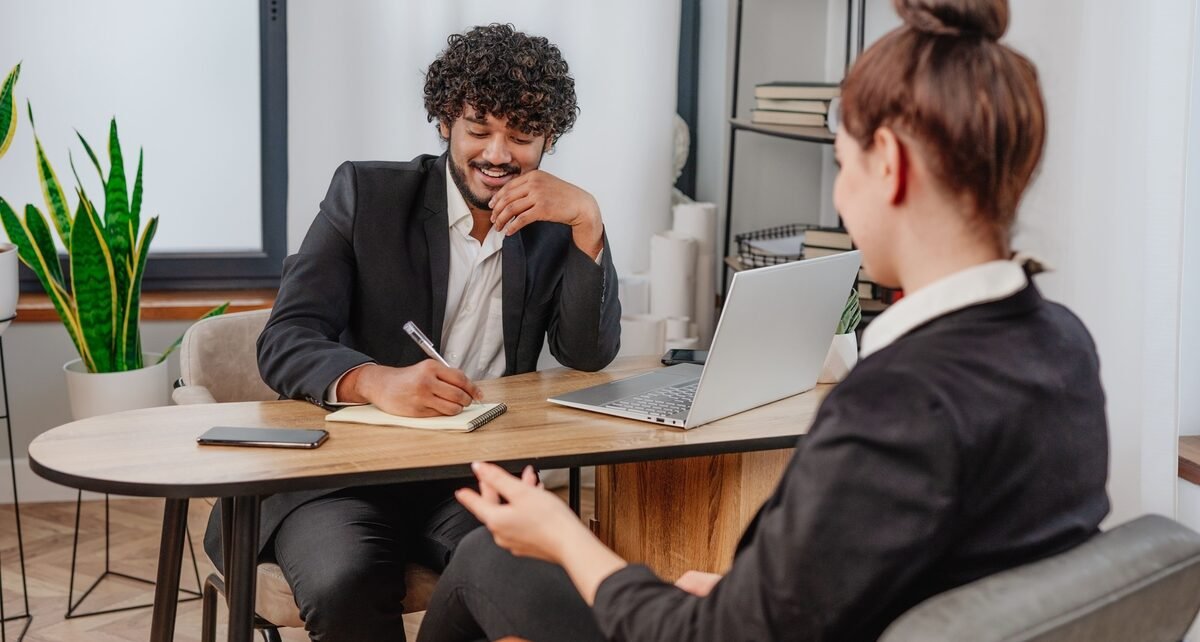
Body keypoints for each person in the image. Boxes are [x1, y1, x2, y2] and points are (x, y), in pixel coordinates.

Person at [416, 1, 1110, 640]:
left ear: (890, 166)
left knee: (487, 556)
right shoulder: (1063, 347)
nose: (841, 193)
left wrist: (561, 534)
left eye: (843, 165)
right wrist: (758, 593)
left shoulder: (893, 406)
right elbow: (950, 575)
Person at [202, 24, 621, 641]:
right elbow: (286, 337)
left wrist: (588, 221)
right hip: (341, 478)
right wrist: (374, 381)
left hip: (471, 474)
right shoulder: (366, 195)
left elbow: (587, 355)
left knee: (530, 578)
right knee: (347, 579)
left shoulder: (556, 220)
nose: (498, 154)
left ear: (548, 138)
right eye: (478, 130)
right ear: (446, 122)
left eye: (522, 136)